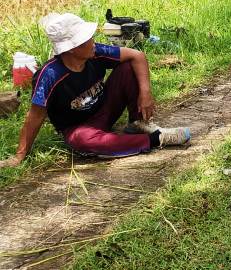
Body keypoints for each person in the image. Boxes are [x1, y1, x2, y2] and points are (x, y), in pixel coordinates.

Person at [0, 13, 190, 168]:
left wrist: (145, 93)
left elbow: (137, 56)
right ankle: (156, 139)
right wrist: (19, 156)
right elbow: (34, 116)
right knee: (83, 140)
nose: (92, 42)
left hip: (105, 109)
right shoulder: (50, 75)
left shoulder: (95, 52)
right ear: (71, 48)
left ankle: (137, 123)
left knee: (128, 66)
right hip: (79, 128)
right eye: (86, 40)